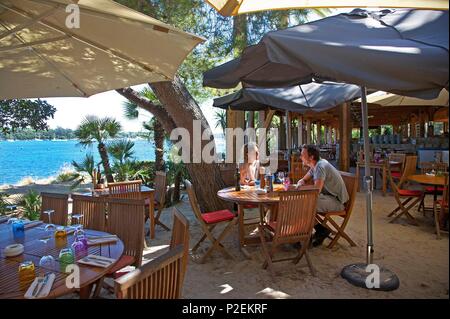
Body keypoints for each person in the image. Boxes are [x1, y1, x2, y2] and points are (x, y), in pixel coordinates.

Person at [296, 144, 349, 247]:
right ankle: (320, 230)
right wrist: (301, 182)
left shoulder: (320, 167)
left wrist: (299, 189)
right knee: (302, 201)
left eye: (302, 155)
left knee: (304, 204)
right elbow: (304, 179)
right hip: (329, 198)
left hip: (337, 202)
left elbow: (316, 191)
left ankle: (306, 237)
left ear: (311, 157)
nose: (300, 157)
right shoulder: (316, 165)